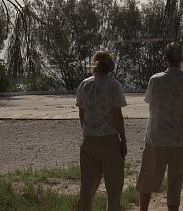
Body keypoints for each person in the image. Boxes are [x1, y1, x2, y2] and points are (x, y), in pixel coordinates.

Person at [136, 42, 183, 211]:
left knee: (147, 179)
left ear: (165, 59)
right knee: (175, 183)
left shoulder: (155, 80)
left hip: (156, 138)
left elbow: (149, 101)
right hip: (181, 139)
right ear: (182, 59)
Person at [76, 51, 127, 211]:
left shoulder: (85, 84)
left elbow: (81, 113)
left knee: (87, 190)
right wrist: (123, 140)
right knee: (114, 191)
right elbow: (117, 115)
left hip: (89, 140)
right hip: (109, 140)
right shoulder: (114, 85)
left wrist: (87, 131)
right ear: (110, 66)